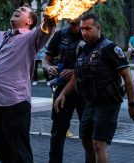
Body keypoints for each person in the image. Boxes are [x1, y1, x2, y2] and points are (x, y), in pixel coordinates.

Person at [0, 0, 57, 163]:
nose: (17, 9)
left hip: (14, 104)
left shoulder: (31, 38)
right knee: (3, 154)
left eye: (23, 10)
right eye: (18, 8)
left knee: (20, 155)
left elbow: (50, 20)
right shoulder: (1, 36)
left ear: (29, 21)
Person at [54, 13, 134, 163]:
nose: (84, 32)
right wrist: (62, 94)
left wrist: (132, 104)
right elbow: (76, 75)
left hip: (108, 102)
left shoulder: (109, 48)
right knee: (86, 141)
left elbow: (127, 76)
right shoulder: (82, 49)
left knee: (98, 143)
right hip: (90, 102)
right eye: (82, 29)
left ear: (98, 27)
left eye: (88, 28)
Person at [42, 18, 87, 163]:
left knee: (88, 133)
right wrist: (49, 68)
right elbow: (46, 59)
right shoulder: (60, 35)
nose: (74, 25)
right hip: (62, 87)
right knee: (57, 132)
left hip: (84, 89)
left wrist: (74, 71)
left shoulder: (88, 33)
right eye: (71, 23)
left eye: (76, 23)